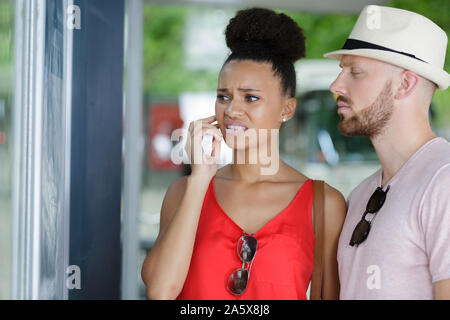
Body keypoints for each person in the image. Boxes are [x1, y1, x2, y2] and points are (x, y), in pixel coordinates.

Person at [141, 8, 346, 300]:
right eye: (223, 96)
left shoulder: (324, 204)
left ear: (287, 109)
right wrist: (200, 179)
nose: (232, 110)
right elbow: (160, 291)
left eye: (251, 98)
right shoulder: (184, 192)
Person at [324, 5, 450, 299]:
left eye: (355, 72)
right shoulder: (360, 194)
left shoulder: (443, 183)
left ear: (404, 84)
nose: (336, 85)